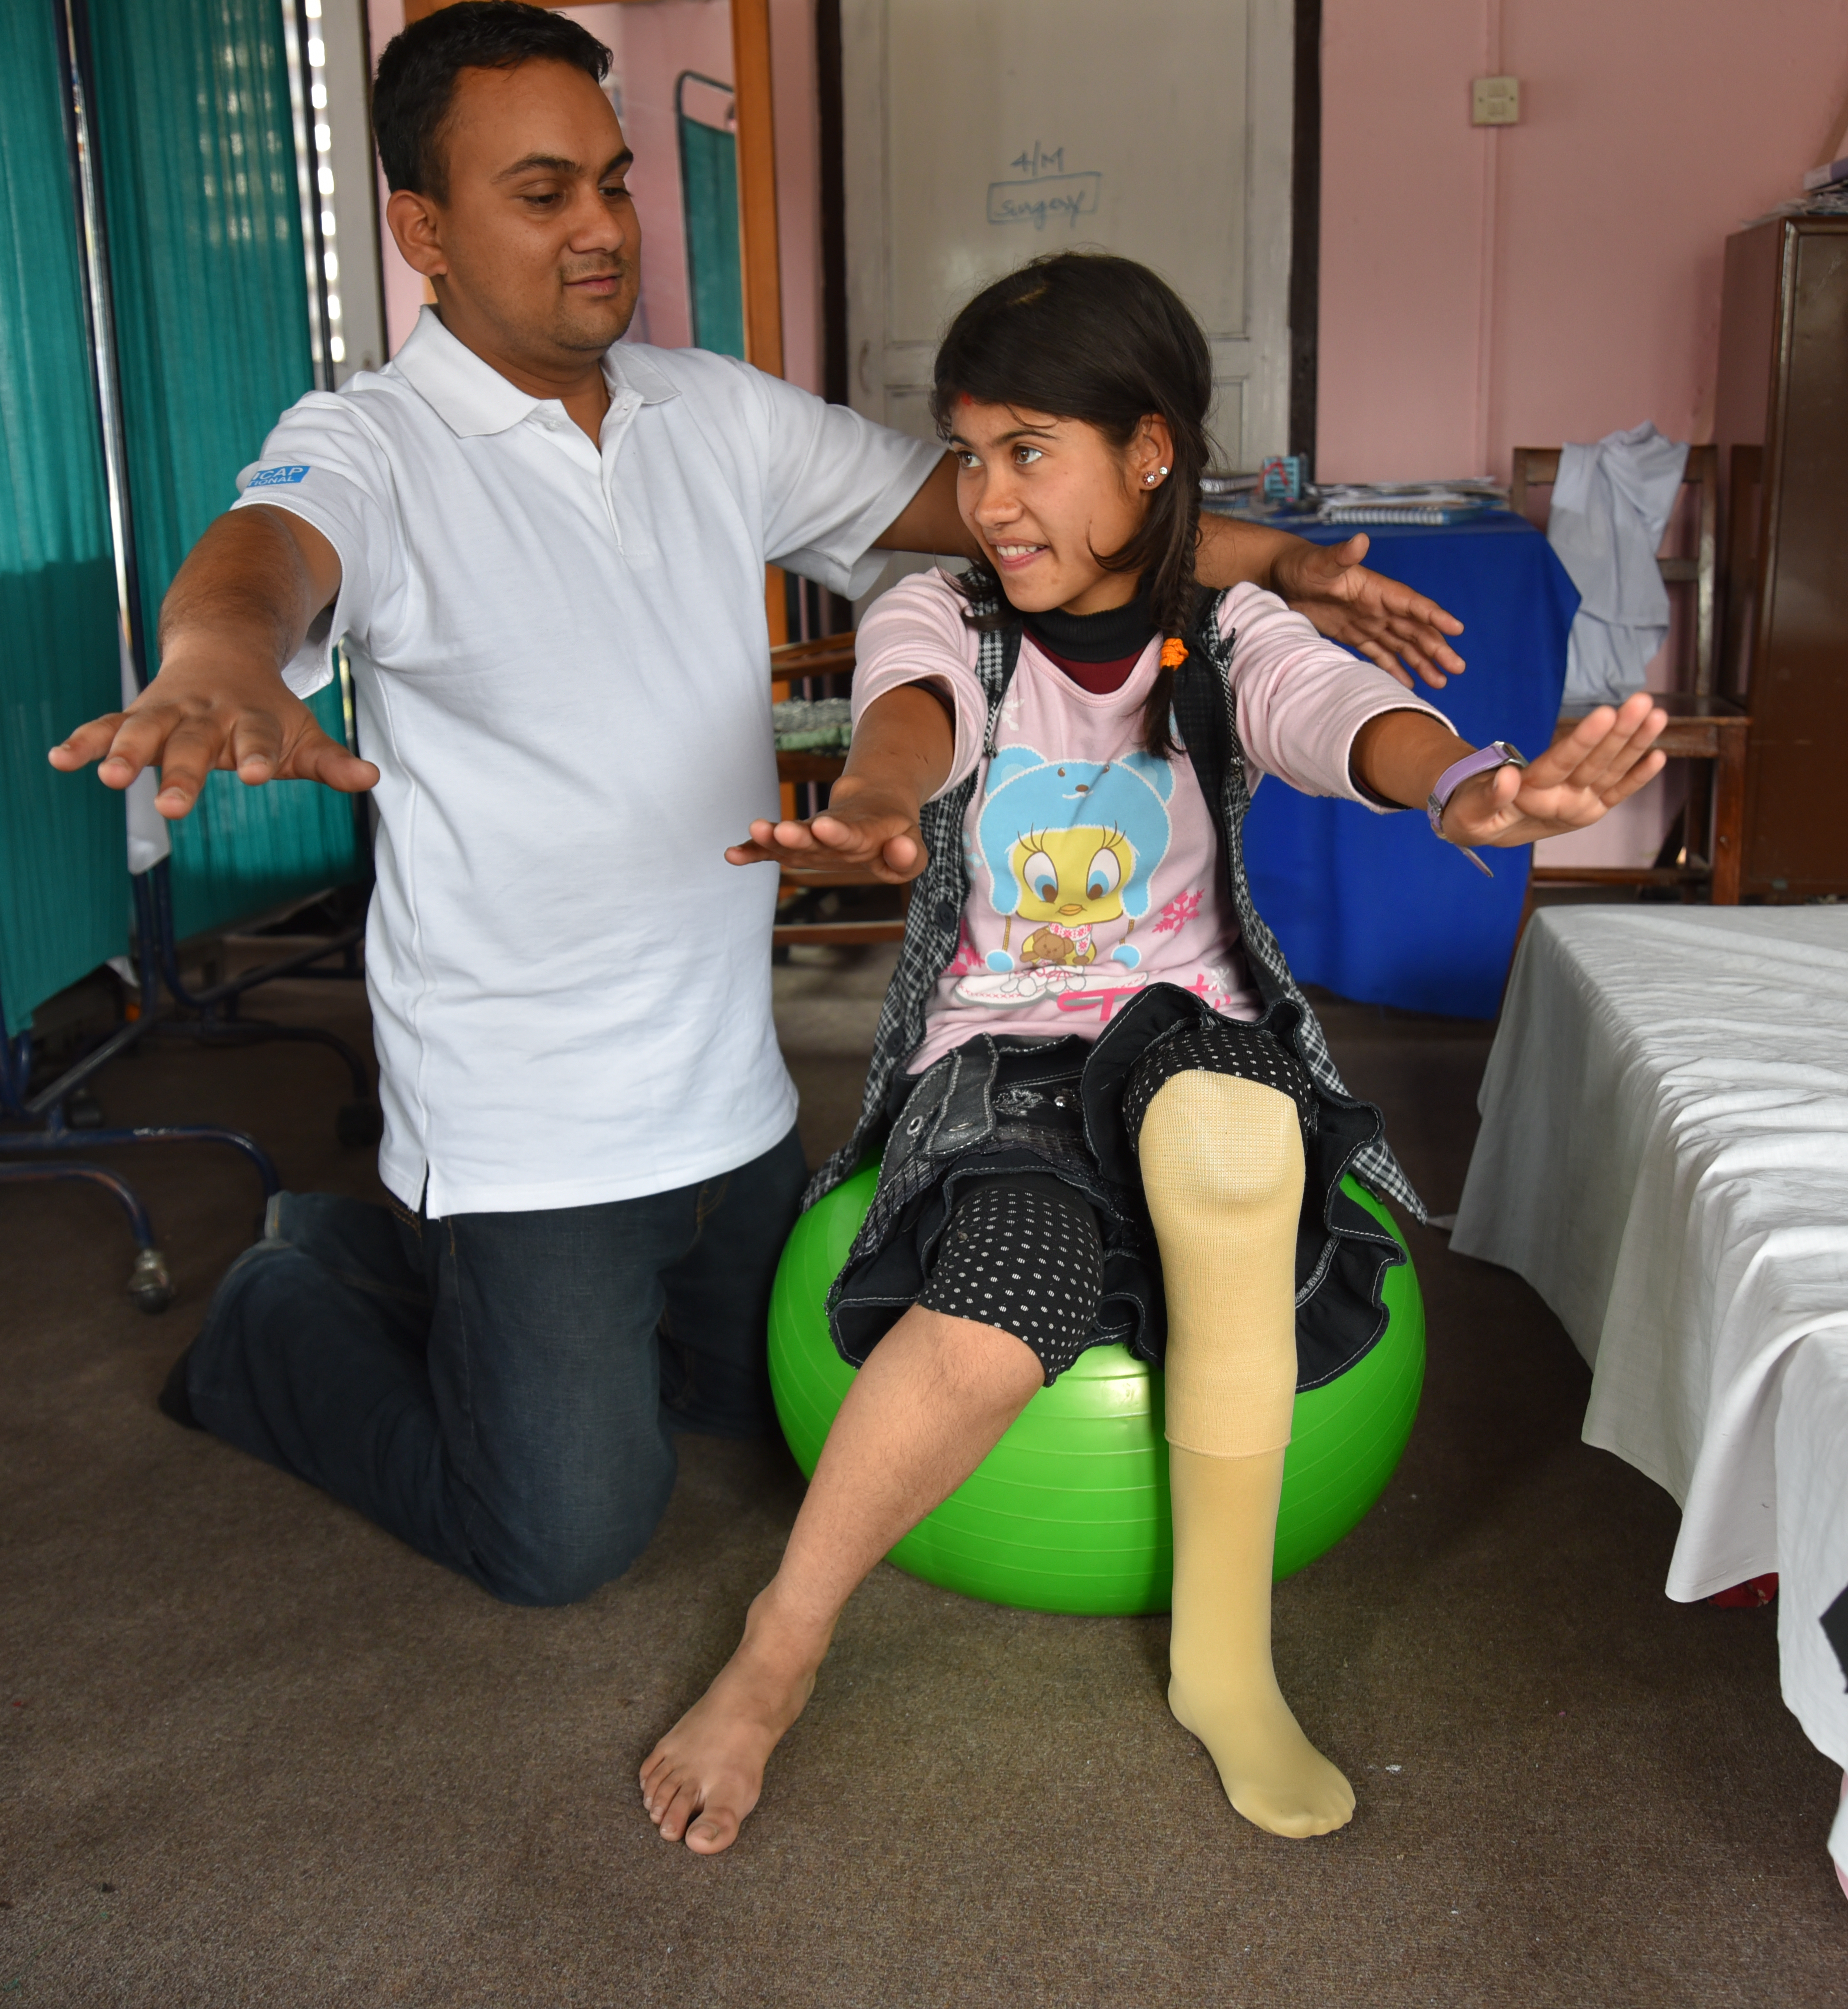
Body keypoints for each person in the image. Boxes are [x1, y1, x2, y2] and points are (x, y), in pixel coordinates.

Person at [45, 3, 1469, 1609]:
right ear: (419, 230)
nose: (601, 230)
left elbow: (1015, 519)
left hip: (727, 1099)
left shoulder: (703, 410)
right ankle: (278, 1315)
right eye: (541, 194)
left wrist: (1271, 562)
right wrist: (213, 659)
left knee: (758, 1414)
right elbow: (269, 556)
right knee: (564, 1539)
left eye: (613, 179)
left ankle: (387, 1256)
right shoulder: (369, 443)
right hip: (533, 1130)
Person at [638, 253, 1667, 1852]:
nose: (985, 499)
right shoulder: (945, 612)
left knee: (1226, 1131)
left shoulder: (1228, 630)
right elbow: (909, 713)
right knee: (1004, 1301)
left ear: (1150, 454)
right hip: (1001, 1062)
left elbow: (1340, 719)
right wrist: (877, 801)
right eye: (968, 455)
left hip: (1191, 1037)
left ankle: (1225, 1662)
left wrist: (1471, 787)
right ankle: (779, 1651)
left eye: (1028, 452)